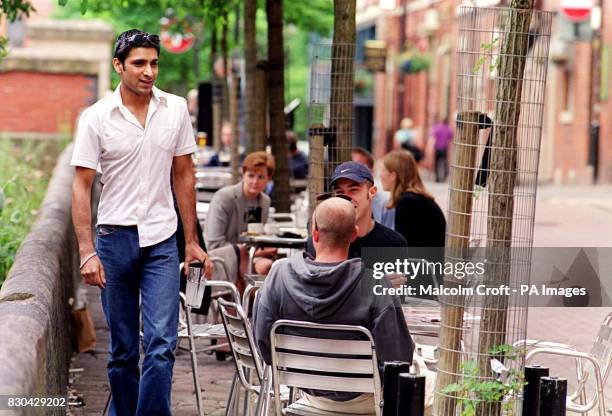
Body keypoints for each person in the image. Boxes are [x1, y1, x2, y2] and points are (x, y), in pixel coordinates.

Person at [70, 29, 211, 416]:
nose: (149, 72)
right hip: (115, 240)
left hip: (162, 240)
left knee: (163, 343)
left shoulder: (177, 109)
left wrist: (192, 241)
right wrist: (86, 252)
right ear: (119, 66)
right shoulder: (97, 118)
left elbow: (184, 175)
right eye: (139, 63)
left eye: (154, 63)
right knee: (123, 350)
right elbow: (81, 187)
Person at [253, 197, 414, 414]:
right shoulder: (375, 284)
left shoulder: (279, 275)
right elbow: (399, 357)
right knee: (436, 387)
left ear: (315, 232)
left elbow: (264, 341)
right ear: (354, 234)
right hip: (365, 400)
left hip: (306, 394)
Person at [306, 161, 407, 267]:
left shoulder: (393, 243)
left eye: (353, 190)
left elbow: (398, 282)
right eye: (340, 192)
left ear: (372, 192)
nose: (347, 198)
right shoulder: (323, 240)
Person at [204, 151, 277, 290]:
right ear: (243, 174)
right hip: (217, 257)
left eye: (261, 177)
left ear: (268, 179)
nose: (255, 181)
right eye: (251, 175)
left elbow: (255, 238)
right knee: (244, 257)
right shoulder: (225, 197)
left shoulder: (264, 202)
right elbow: (213, 242)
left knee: (270, 267)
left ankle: (256, 305)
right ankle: (252, 303)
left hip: (248, 257)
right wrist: (246, 251)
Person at [380, 150, 446, 250]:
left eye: (383, 170)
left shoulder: (408, 203)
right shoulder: (417, 198)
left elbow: (403, 248)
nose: (380, 175)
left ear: (393, 176)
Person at [351, 146, 395, 229]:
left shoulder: (387, 202)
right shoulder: (337, 202)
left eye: (359, 166)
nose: (352, 171)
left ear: (371, 171)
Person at [431, 117, 453, 182]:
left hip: (437, 148)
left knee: (436, 163)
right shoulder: (448, 129)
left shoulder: (437, 128)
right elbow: (450, 139)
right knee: (444, 162)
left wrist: (431, 149)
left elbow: (433, 139)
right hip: (444, 148)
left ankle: (437, 177)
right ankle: (444, 176)